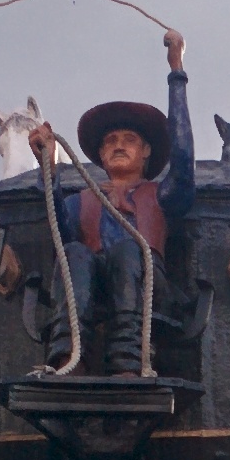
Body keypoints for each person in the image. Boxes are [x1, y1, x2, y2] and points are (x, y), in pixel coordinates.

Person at [29, 30, 193, 378]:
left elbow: (182, 159)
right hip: (94, 288)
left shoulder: (160, 195)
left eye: (129, 139)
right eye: (111, 141)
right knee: (74, 252)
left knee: (128, 252)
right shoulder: (81, 201)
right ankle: (69, 357)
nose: (119, 145)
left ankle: (129, 360)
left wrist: (176, 73)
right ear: (101, 154)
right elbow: (59, 232)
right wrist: (48, 166)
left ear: (146, 151)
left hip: (148, 288)